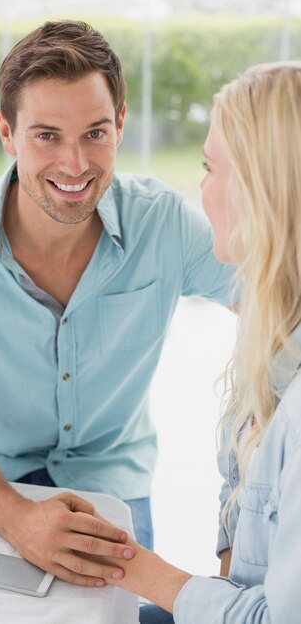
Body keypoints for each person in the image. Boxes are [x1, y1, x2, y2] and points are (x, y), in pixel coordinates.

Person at [0, 20, 235, 587]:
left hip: (111, 482)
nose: (75, 164)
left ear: (121, 124)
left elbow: (274, 303)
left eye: (95, 133)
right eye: (46, 135)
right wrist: (20, 519)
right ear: (7, 131)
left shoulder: (165, 224)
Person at [105, 61, 301, 623]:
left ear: (266, 190)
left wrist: (133, 566)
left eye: (210, 166)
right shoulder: (270, 320)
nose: (201, 186)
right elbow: (243, 492)